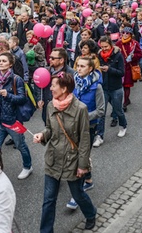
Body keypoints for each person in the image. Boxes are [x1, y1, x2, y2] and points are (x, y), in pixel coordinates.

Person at [33, 73, 97, 232]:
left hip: (72, 161)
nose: (50, 88)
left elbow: (84, 139)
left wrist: (83, 165)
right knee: (48, 200)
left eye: (54, 85)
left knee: (78, 195)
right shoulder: (50, 105)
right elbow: (49, 128)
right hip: (53, 159)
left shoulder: (80, 109)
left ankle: (90, 214)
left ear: (64, 88)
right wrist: (42, 135)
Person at [0, 52, 33, 180]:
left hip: (13, 121)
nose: (0, 63)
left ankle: (28, 166)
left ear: (10, 64)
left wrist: (8, 95)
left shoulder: (17, 79)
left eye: (4, 61)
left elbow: (23, 98)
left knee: (20, 145)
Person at [65, 56, 104, 208]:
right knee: (78, 154)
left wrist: (83, 117)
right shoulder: (73, 82)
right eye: (77, 65)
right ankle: (88, 179)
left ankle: (77, 194)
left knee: (80, 157)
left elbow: (101, 111)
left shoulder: (97, 87)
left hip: (89, 127)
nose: (79, 68)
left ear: (90, 69)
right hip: (73, 125)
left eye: (82, 66)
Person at [97, 36, 126, 141]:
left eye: (106, 46)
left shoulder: (118, 55)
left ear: (111, 45)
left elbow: (122, 72)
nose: (104, 49)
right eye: (102, 46)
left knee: (118, 110)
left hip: (116, 87)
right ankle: (99, 136)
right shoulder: (99, 55)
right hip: (103, 87)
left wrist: (109, 69)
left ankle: (123, 125)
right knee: (101, 112)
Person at [40, 48, 76, 124]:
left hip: (63, 110)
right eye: (49, 57)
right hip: (47, 109)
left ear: (61, 60)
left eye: (53, 58)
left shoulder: (70, 73)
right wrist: (39, 98)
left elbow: (73, 91)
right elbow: (39, 85)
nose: (50, 59)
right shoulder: (46, 71)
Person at [117, 27, 142, 113]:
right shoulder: (118, 43)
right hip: (120, 67)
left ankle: (125, 102)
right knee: (119, 85)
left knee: (126, 86)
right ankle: (121, 100)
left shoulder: (134, 43)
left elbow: (139, 54)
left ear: (131, 34)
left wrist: (133, 56)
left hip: (129, 67)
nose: (124, 34)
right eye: (123, 32)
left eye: (127, 33)